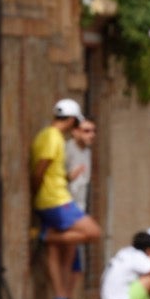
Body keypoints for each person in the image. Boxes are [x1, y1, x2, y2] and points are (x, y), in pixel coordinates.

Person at [30, 100, 103, 299]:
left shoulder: (48, 136)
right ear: (71, 120)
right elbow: (40, 169)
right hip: (56, 199)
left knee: (58, 252)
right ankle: (43, 235)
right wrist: (38, 192)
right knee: (93, 232)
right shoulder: (54, 138)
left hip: (54, 198)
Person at [64, 118, 96, 289]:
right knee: (92, 234)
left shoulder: (87, 153)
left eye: (93, 131)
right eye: (86, 130)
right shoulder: (67, 149)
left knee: (76, 264)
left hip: (79, 208)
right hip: (67, 206)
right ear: (74, 131)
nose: (91, 135)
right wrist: (69, 177)